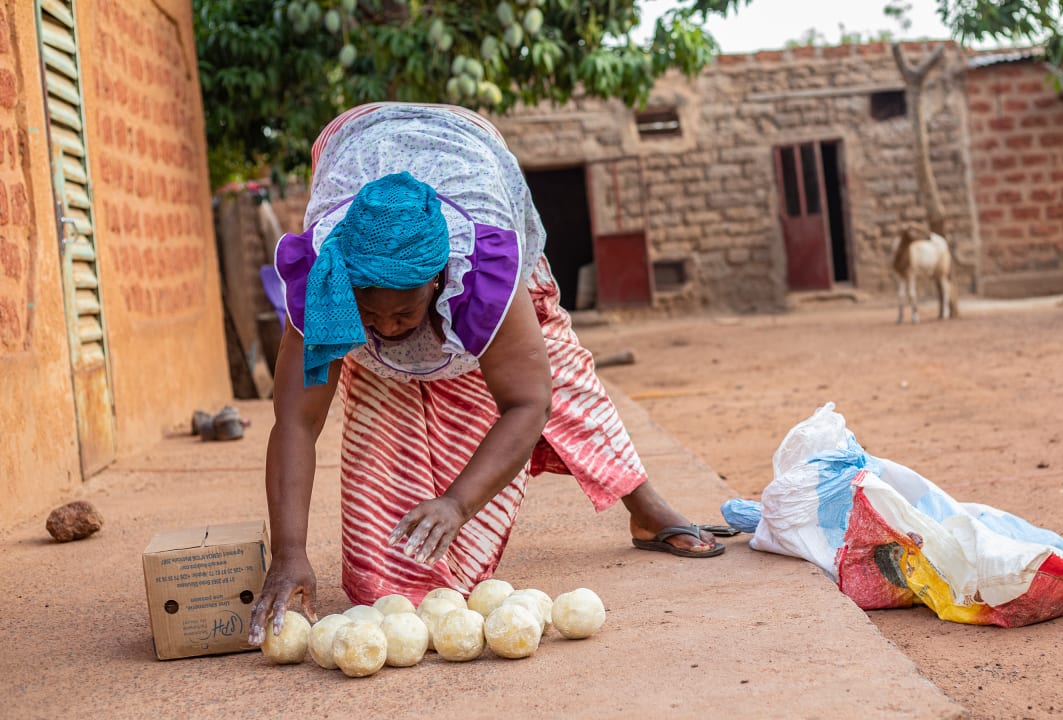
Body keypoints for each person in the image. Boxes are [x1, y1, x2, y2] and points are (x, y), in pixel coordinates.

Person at [248, 103, 724, 645]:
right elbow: (295, 421)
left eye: (400, 313)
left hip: (467, 155)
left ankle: (645, 509)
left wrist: (457, 502)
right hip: (360, 144)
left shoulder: (484, 268)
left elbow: (528, 403)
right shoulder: (326, 280)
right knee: (381, 578)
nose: (384, 326)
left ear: (437, 280)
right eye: (368, 313)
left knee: (557, 372)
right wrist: (289, 554)